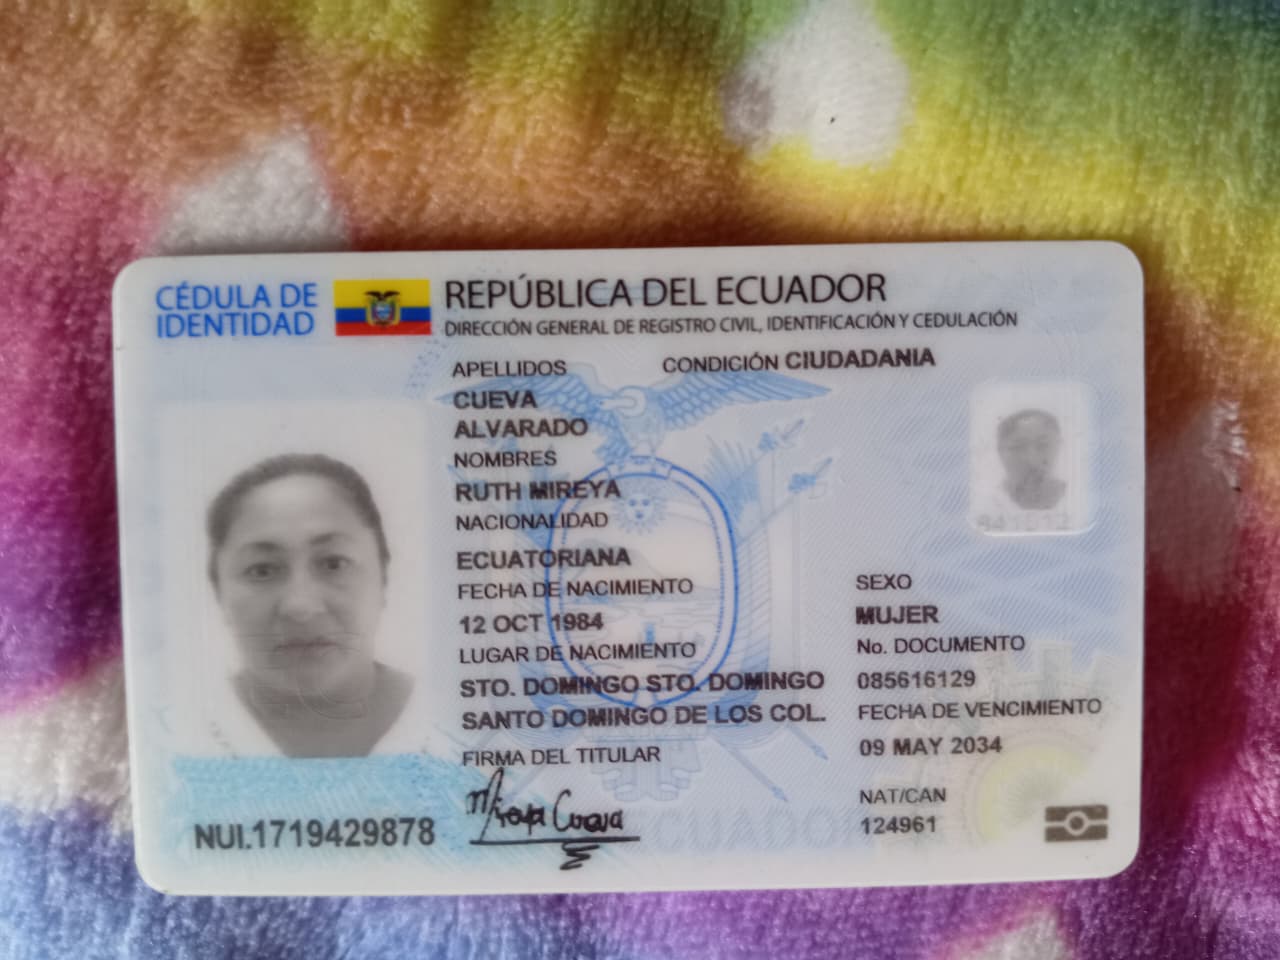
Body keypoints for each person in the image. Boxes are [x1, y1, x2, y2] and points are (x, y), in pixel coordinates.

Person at [206, 453, 412, 757]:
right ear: (218, 590)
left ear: (383, 576)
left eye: (333, 563)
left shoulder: (452, 714)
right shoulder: (178, 732)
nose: (300, 607)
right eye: (262, 570)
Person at [996, 409, 1066, 510]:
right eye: (1018, 447)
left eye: (1043, 445)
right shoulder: (987, 508)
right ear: (1000, 451)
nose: (1032, 459)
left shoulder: (1078, 499)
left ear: (1059, 446)